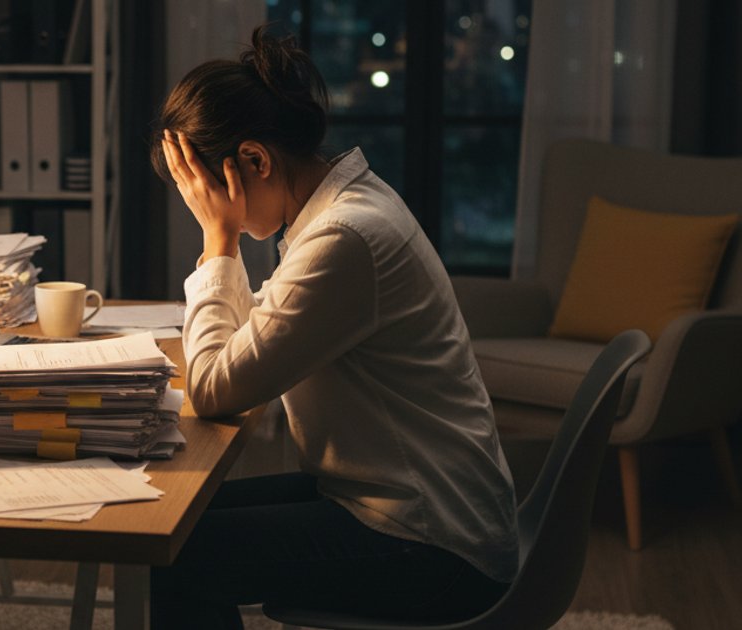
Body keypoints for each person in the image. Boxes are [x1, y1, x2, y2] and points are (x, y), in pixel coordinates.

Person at [149, 25, 519, 629]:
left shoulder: (343, 238)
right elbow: (255, 340)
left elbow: (216, 387)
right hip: (409, 505)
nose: (204, 210)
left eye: (204, 193)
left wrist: (218, 241)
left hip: (433, 543)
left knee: (175, 555)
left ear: (254, 160)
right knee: (175, 521)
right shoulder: (341, 210)